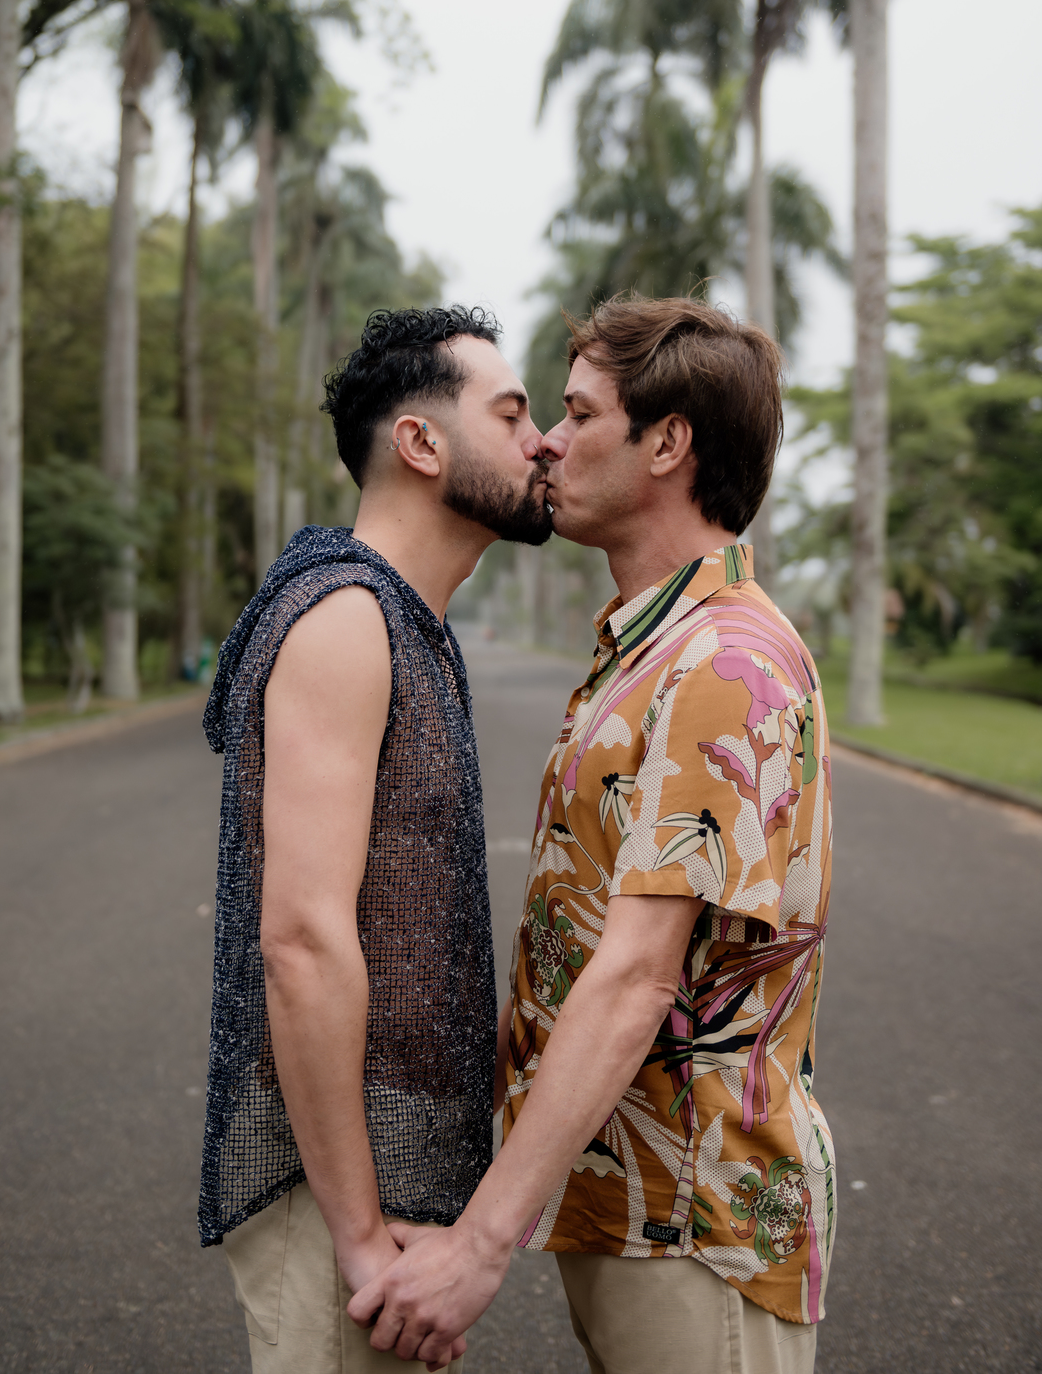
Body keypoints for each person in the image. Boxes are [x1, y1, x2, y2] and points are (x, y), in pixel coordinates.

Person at [350, 295, 835, 1374]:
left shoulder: (724, 665)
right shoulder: (652, 648)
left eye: (578, 414)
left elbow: (634, 977)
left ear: (666, 444)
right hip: (631, 1206)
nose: (548, 443)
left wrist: (481, 1243)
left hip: (696, 1219)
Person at [197, 304, 552, 1374]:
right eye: (512, 414)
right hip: (338, 1192)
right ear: (421, 442)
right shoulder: (348, 617)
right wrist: (355, 1233)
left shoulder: (405, 619)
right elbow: (303, 939)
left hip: (383, 1166)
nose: (543, 442)